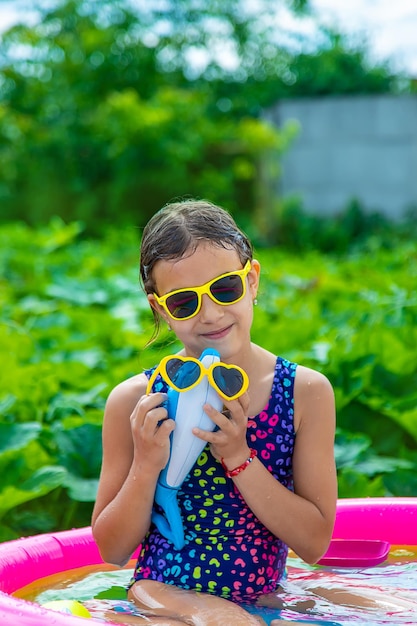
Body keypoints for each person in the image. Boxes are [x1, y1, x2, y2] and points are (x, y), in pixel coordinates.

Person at [91, 199, 338, 626]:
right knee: (224, 621)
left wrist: (239, 458)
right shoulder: (135, 400)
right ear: (160, 309)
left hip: (266, 594)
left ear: (253, 281)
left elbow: (314, 542)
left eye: (225, 289)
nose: (209, 314)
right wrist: (147, 465)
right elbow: (111, 550)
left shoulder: (303, 392)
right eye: (184, 303)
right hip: (162, 593)